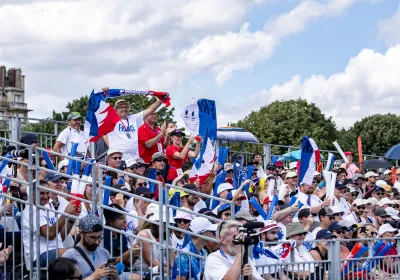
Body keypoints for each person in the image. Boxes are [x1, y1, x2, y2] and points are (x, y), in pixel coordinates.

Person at [22, 180, 77, 267]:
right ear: (33, 195)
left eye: (47, 193)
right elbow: (50, 235)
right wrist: (65, 214)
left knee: (80, 253)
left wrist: (72, 218)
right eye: (42, 193)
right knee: (70, 254)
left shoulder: (49, 208)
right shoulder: (30, 211)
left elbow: (60, 237)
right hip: (39, 255)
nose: (46, 196)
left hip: (56, 251)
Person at [104, 95, 168, 161]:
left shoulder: (133, 118)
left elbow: (150, 109)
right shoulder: (110, 120)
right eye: (121, 107)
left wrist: (161, 99)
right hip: (118, 159)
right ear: (115, 110)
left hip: (134, 159)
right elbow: (98, 109)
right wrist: (104, 95)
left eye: (126, 107)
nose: (124, 109)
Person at [62, 214, 121, 280]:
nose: (97, 242)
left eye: (99, 238)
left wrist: (115, 276)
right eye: (92, 238)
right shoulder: (70, 255)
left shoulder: (104, 253)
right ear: (81, 233)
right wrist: (93, 277)